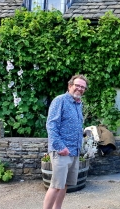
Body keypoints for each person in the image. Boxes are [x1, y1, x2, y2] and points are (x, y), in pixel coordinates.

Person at [43, 74, 88, 209]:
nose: (80, 89)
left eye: (83, 87)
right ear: (70, 86)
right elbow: (51, 125)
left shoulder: (78, 104)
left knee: (64, 185)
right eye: (77, 86)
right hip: (61, 151)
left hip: (74, 151)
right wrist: (60, 146)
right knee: (56, 185)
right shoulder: (60, 100)